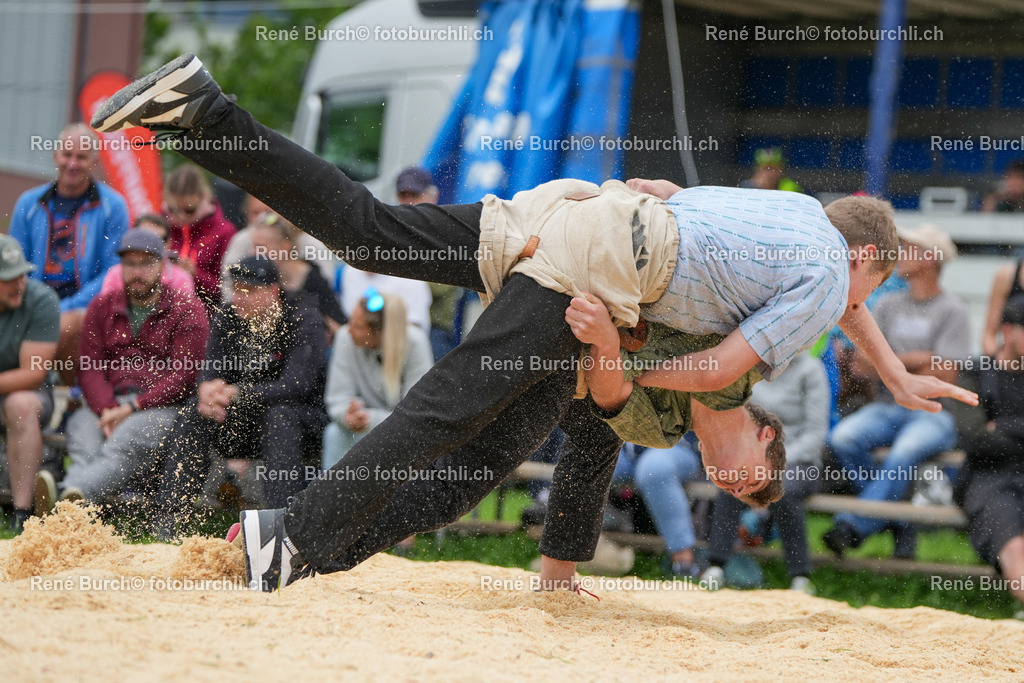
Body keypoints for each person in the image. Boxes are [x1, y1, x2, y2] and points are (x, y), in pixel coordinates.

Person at [91, 54, 975, 591]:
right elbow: (719, 368)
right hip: (591, 266)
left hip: (570, 216)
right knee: (444, 413)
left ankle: (201, 111)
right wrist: (615, 358)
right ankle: (286, 541)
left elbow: (834, 289)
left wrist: (895, 372)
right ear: (867, 261)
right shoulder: (814, 283)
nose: (856, 311)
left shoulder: (792, 219)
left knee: (362, 233)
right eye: (744, 479)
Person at [34, 230, 209, 512]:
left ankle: (62, 505)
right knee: (84, 439)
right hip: (107, 405)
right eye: (130, 264)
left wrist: (133, 407)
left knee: (124, 444)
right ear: (121, 268)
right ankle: (73, 507)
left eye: (146, 263)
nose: (137, 271)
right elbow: (89, 367)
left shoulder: (187, 309)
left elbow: (185, 375)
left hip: (161, 408)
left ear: (163, 266)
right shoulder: (102, 306)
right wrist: (107, 409)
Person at [823, 224, 971, 558]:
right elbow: (861, 366)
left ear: (930, 260)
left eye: (911, 249)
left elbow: (945, 375)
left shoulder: (954, 310)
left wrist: (886, 363)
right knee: (842, 439)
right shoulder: (888, 304)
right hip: (888, 406)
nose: (901, 254)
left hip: (934, 412)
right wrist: (916, 360)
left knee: (902, 453)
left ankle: (852, 525)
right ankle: (896, 522)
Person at [153, 255, 328, 537]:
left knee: (280, 416)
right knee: (193, 413)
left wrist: (237, 393)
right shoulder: (228, 316)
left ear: (272, 291)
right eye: (236, 289)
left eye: (249, 291)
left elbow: (296, 386)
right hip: (244, 419)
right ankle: (169, 523)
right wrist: (208, 392)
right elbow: (211, 368)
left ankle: (281, 529)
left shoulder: (303, 318)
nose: (239, 297)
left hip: (302, 421)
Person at [9, 123, 129, 386]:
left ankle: (64, 396)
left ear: (94, 161)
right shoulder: (29, 204)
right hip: (31, 300)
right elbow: (14, 264)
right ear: (56, 155)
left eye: (82, 157)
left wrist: (63, 308)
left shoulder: (113, 207)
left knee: (69, 324)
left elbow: (113, 270)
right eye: (67, 154)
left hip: (84, 305)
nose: (72, 163)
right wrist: (36, 304)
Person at [702, 351, 830, 593]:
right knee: (732, 482)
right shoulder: (749, 367)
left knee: (784, 491)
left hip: (800, 463)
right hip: (753, 458)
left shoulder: (811, 370)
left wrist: (773, 465)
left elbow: (815, 435)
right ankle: (716, 565)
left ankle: (800, 577)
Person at [955, 295, 1024, 618]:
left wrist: (1003, 426)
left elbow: (989, 436)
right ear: (1007, 331)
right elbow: (974, 440)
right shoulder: (977, 373)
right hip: (989, 479)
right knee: (1014, 547)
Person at [322, 291, 433, 469]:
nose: (348, 329)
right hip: (360, 427)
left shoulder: (416, 343)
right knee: (334, 433)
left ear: (380, 333)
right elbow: (337, 398)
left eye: (358, 326)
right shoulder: (345, 337)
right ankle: (328, 495)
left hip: (402, 434)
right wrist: (347, 415)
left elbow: (415, 415)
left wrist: (369, 419)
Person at [0, 235, 59, 533]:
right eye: (9, 278)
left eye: (21, 274)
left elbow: (33, 373)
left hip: (32, 395)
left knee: (19, 404)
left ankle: (22, 514)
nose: (19, 283)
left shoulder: (41, 299)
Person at [396, 166, 466, 359]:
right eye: (403, 195)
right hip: (392, 325)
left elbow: (440, 287)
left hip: (433, 329)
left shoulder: (447, 233)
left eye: (415, 195)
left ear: (432, 197)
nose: (409, 202)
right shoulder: (393, 233)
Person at [220, 193, 335, 302]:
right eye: (255, 213)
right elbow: (227, 285)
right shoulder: (244, 238)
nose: (252, 253)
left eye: (268, 212)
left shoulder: (312, 273)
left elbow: (331, 317)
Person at [250, 211, 346, 339]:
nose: (253, 253)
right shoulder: (256, 277)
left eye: (260, 247)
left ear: (285, 246)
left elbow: (339, 325)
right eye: (253, 246)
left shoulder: (312, 278)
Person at [162, 164, 237, 312]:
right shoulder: (159, 224)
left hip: (206, 317)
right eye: (173, 209)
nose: (181, 216)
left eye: (189, 210)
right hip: (161, 316)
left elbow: (228, 292)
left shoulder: (223, 232)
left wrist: (195, 274)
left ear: (204, 197)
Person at [99, 214, 194, 296]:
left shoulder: (181, 279)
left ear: (169, 243)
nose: (150, 245)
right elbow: (106, 311)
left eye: (159, 239)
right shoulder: (115, 274)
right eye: (143, 238)